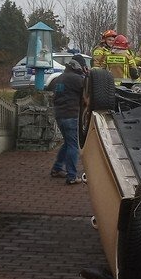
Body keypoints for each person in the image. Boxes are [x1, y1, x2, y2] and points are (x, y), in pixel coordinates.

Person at [50, 55, 87, 185]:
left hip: (59, 115)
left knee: (67, 143)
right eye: (83, 66)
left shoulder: (60, 78)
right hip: (71, 116)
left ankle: (57, 168)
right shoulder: (76, 79)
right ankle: (72, 176)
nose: (84, 68)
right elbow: (87, 95)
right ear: (77, 66)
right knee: (73, 145)